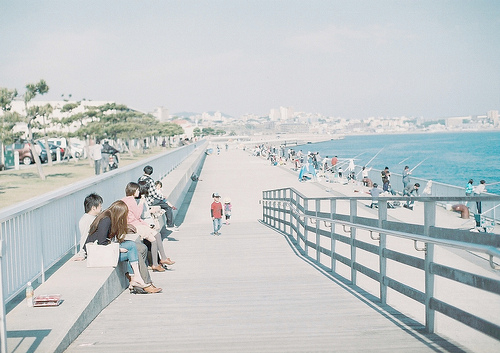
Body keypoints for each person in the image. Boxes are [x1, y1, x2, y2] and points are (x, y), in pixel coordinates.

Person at [85, 200, 161, 293]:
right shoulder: (106, 219)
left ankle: (134, 278)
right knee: (134, 249)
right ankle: (143, 280)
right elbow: (102, 242)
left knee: (142, 248)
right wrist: (119, 249)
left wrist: (126, 228)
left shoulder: (110, 216)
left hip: (107, 250)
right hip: (100, 253)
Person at [121, 182, 172, 272]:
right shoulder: (131, 200)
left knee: (157, 235)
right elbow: (137, 215)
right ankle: (156, 263)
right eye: (137, 190)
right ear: (133, 191)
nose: (138, 192)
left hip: (136, 223)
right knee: (154, 239)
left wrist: (147, 225)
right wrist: (141, 203)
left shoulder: (125, 199)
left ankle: (162, 259)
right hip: (135, 225)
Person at [138, 165, 178, 231]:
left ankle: (170, 225)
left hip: (143, 200)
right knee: (167, 206)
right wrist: (162, 197)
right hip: (150, 201)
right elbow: (154, 194)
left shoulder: (140, 179)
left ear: (144, 171)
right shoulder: (150, 181)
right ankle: (170, 225)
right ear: (151, 173)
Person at [75, 193, 103, 260]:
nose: (101, 208)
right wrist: (82, 254)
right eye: (100, 206)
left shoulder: (92, 217)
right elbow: (85, 236)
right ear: (93, 208)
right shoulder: (88, 220)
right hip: (90, 251)